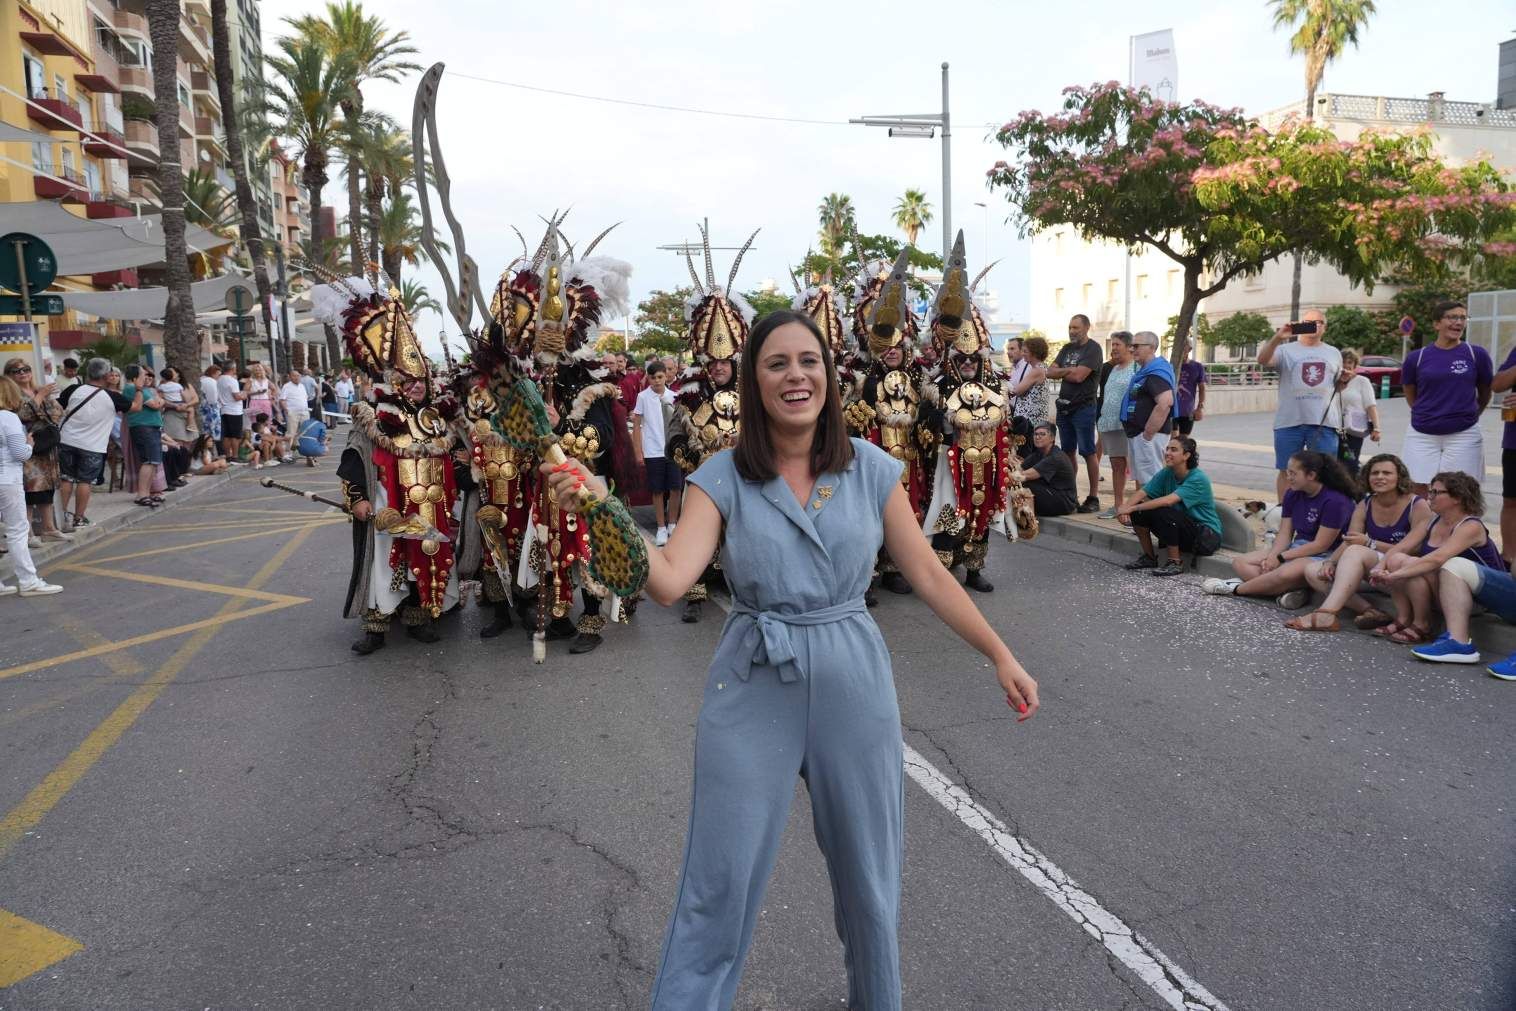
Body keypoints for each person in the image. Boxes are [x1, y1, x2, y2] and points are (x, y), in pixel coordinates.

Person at [541, 308, 1040, 1010]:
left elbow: (927, 573)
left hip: (852, 677)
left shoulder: (871, 467)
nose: (796, 375)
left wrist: (999, 653)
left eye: (809, 360)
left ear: (829, 376)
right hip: (754, 677)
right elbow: (668, 580)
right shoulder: (718, 475)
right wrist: (600, 506)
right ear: (754, 380)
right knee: (719, 884)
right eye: (776, 363)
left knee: (871, 886)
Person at [318, 277, 462, 655]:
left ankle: (417, 619)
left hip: (429, 506)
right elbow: (354, 458)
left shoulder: (438, 418)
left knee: (423, 558)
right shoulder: (375, 414)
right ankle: (376, 627)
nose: (416, 386)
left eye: (421, 380)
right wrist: (359, 498)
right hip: (388, 505)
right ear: (394, 380)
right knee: (383, 567)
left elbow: (456, 459)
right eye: (408, 380)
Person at [918, 233, 1031, 593]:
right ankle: (940, 576)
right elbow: (924, 432)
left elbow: (1007, 425)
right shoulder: (936, 386)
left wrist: (1018, 431)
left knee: (983, 515)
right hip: (952, 466)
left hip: (989, 462)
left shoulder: (998, 385)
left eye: (972, 358)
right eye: (961, 358)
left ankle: (974, 570)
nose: (967, 363)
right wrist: (935, 425)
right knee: (950, 515)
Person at [664, 220, 755, 624]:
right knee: (696, 532)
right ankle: (695, 591)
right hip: (701, 475)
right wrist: (680, 450)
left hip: (743, 474)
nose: (718, 367)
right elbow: (674, 431)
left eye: (725, 361)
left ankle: (743, 584)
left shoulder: (752, 389)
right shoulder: (687, 389)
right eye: (712, 362)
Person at [838, 252, 933, 599]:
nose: (891, 351)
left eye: (897, 345)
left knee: (907, 509)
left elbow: (930, 414)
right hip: (872, 455)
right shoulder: (858, 376)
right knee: (867, 515)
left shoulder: (918, 375)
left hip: (908, 457)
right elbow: (845, 418)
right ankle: (865, 574)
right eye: (885, 344)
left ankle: (896, 567)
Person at [1361, 470, 1504, 648]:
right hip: (1440, 589)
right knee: (1398, 558)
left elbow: (1437, 559)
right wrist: (1380, 567)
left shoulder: (1471, 526)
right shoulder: (1433, 521)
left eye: (1436, 492)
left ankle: (1423, 624)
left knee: (1411, 564)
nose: (1429, 497)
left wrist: (1393, 576)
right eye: (1430, 491)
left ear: (1457, 497)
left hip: (1473, 599)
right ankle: (1405, 618)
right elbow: (1402, 546)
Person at [1293, 453, 1428, 631]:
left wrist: (1370, 543)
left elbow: (1417, 549)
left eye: (1387, 473)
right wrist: (1330, 562)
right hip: (1374, 573)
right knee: (1313, 570)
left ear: (1399, 477)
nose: (1380, 477)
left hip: (1402, 573)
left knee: (1357, 550)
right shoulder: (1366, 504)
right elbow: (1351, 539)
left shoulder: (1417, 505)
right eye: (1375, 473)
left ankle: (1326, 613)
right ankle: (1372, 612)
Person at [1204, 450, 1356, 607]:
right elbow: (1285, 533)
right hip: (1297, 547)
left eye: (1292, 473)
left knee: (1282, 572)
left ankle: (1235, 588)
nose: (1287, 477)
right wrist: (1274, 555)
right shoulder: (1292, 494)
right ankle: (1291, 591)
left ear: (1311, 475)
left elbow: (1321, 545)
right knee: (1240, 562)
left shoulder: (1335, 501)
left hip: (1324, 555)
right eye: (1287, 472)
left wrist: (1282, 558)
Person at [1399, 300, 1490, 494]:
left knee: (1461, 490)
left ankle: (1460, 526)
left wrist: (1471, 414)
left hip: (1464, 433)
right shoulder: (1417, 357)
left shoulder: (1476, 354)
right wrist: (1424, 412)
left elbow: (1485, 391)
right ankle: (1423, 525)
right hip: (1422, 433)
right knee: (1417, 488)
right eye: (1452, 317)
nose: (1458, 322)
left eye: (1462, 317)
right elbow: (1409, 389)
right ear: (1437, 324)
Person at [1258, 308, 1341, 502]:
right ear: (1300, 324)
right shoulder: (1285, 350)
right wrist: (1278, 337)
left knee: (1325, 472)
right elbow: (1262, 360)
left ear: (1325, 328)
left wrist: (1344, 381)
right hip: (1289, 422)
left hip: (1324, 423)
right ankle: (1284, 514)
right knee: (1288, 472)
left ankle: (1322, 513)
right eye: (1308, 321)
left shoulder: (1333, 353)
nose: (1314, 325)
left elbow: (1335, 386)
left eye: (1318, 322)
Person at [1117, 435, 1222, 576]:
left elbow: (1168, 501)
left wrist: (1132, 508)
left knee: (1163, 510)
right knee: (1140, 512)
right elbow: (1143, 492)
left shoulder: (1198, 478)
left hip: (1205, 537)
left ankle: (1175, 563)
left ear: (1186, 455)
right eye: (1167, 449)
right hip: (1182, 530)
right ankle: (1149, 557)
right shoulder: (1167, 472)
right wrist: (1124, 509)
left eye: (1173, 450)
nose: (1167, 453)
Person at [55, 359, 138, 531]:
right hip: (92, 446)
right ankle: (79, 518)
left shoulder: (73, 389)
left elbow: (56, 406)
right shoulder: (113, 396)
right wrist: (139, 389)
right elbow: (136, 407)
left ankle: (60, 517)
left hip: (66, 440)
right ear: (107, 375)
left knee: (66, 479)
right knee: (85, 481)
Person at [0, 375, 62, 595]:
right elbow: (19, 453)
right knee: (17, 530)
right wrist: (29, 445)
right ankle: (28, 581)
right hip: (7, 478)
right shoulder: (7, 418)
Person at [6, 358, 68, 542]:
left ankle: (49, 528)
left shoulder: (38, 389)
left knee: (46, 488)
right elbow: (21, 416)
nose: (23, 373)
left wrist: (43, 400)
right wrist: (39, 397)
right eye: (17, 371)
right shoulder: (12, 395)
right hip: (28, 444)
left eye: (26, 369)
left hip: (46, 445)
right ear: (9, 375)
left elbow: (58, 411)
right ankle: (28, 533)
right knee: (30, 489)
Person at [1046, 312, 1102, 511]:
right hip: (1064, 408)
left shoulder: (1093, 349)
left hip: (1084, 407)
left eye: (1075, 328)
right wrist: (1070, 370)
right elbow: (1049, 372)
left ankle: (1093, 497)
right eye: (1070, 327)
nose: (1072, 331)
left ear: (1086, 328)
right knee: (1068, 452)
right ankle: (1072, 494)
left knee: (1088, 452)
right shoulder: (1066, 348)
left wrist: (1063, 372)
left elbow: (1079, 377)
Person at [634, 361, 681, 545]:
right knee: (657, 490)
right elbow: (637, 425)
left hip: (672, 449)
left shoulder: (674, 396)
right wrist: (638, 451)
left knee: (676, 487)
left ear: (666, 376)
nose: (656, 381)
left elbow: (679, 423)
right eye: (652, 378)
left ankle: (672, 524)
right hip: (653, 450)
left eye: (660, 377)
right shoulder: (642, 397)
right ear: (648, 378)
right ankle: (661, 527)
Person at [1121, 331, 1175, 485]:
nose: (1132, 349)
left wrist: (1147, 435)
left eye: (1137, 346)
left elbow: (1165, 403)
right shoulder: (1145, 371)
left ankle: (1152, 510)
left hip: (1149, 436)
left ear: (1152, 348)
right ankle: (1143, 510)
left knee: (1151, 482)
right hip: (1141, 435)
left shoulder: (1155, 372)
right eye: (1132, 346)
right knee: (1144, 482)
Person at [1094, 331, 1135, 519]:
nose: (1114, 348)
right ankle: (1118, 506)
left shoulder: (1135, 368)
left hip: (1126, 425)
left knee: (1133, 465)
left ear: (1129, 347)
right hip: (1109, 424)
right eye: (1113, 345)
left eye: (1118, 345)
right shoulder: (1113, 369)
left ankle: (1135, 507)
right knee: (1116, 465)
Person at [121, 364, 167, 507]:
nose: (146, 377)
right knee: (148, 461)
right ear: (135, 376)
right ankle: (142, 494)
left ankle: (147, 493)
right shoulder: (132, 388)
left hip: (150, 427)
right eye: (143, 374)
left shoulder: (141, 389)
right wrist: (161, 401)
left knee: (153, 461)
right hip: (144, 428)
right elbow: (155, 404)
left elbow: (158, 401)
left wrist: (160, 400)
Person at [1335, 349, 1381, 471]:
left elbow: (1371, 405)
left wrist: (1376, 428)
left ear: (1355, 365)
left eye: (1350, 362)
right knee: (1333, 464)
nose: (1346, 365)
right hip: (1332, 430)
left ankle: (1354, 487)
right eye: (1343, 362)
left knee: (1350, 463)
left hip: (1352, 432)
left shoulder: (1362, 381)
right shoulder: (1332, 382)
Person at [1019, 422, 1078, 517]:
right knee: (1019, 487)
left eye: (1042, 434)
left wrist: (1008, 475)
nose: (1038, 437)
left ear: (1052, 438)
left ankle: (1029, 525)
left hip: (1065, 502)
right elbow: (1020, 468)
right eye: (1036, 434)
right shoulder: (1038, 453)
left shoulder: (1055, 457)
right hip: (1050, 492)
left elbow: (1023, 476)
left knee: (1025, 486)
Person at [1010, 334, 1050, 434]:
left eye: (1025, 351)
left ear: (1034, 353)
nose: (1023, 354)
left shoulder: (1036, 371)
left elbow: (1017, 390)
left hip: (1029, 422)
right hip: (1034, 420)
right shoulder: (1042, 368)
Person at [1175, 348, 1207, 436]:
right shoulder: (1171, 365)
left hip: (1187, 411)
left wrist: (1199, 408)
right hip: (1171, 410)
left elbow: (1202, 388)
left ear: (1189, 349)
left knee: (1183, 441)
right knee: (1172, 439)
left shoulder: (1197, 366)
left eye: (1184, 347)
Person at [217, 364, 246, 461]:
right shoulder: (232, 380)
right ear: (232, 368)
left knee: (227, 435)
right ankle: (235, 456)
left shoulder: (219, 379)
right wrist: (244, 395)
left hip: (224, 409)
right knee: (235, 435)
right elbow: (237, 397)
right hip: (234, 410)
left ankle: (227, 455)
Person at [279, 369, 309, 457]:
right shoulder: (286, 386)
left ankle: (302, 450)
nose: (296, 377)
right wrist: (286, 410)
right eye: (294, 376)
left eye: (298, 376)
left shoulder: (302, 386)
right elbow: (282, 400)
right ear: (290, 377)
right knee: (291, 432)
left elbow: (305, 398)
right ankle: (288, 452)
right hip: (292, 413)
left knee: (304, 432)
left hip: (304, 412)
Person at [245, 362, 278, 427]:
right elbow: (245, 392)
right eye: (256, 370)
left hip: (265, 402)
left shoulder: (266, 380)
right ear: (253, 372)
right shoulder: (251, 380)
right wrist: (256, 392)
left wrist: (272, 398)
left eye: (260, 370)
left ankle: (267, 434)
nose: (258, 372)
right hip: (254, 402)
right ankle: (257, 436)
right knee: (255, 421)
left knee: (267, 420)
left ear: (263, 371)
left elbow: (274, 389)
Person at [198, 363, 222, 446]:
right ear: (213, 373)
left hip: (202, 408)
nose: (219, 377)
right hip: (210, 410)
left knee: (205, 431)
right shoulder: (211, 382)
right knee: (211, 432)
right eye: (218, 375)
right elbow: (213, 400)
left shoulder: (201, 379)